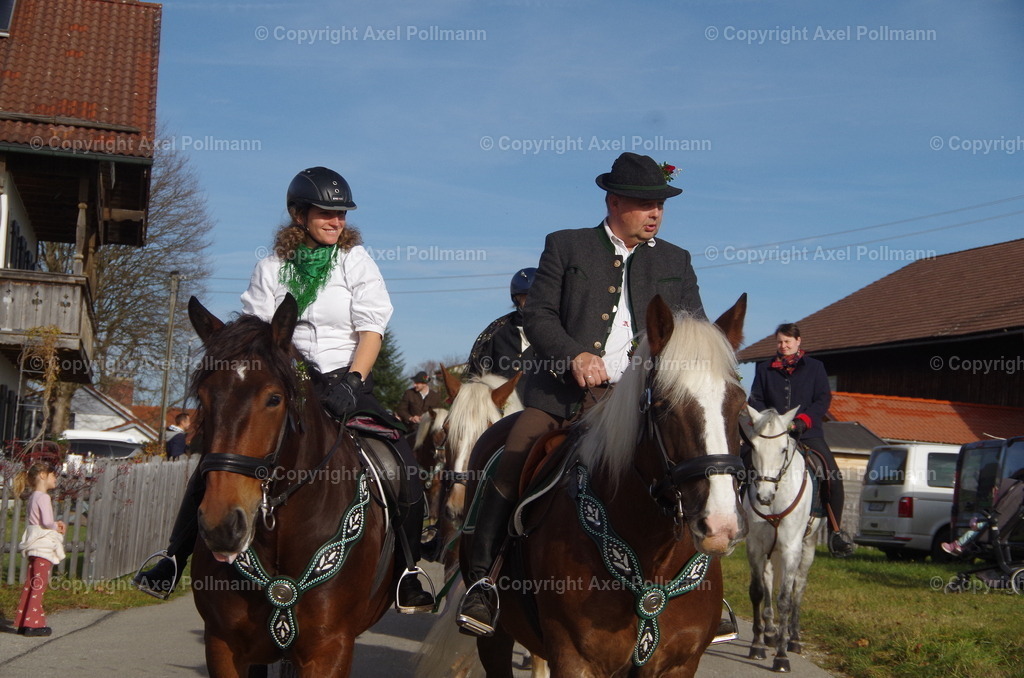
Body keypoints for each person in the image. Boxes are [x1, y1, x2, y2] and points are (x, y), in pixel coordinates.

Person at [134, 167, 434, 613]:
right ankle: (173, 558)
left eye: (342, 214)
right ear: (298, 215)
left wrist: (353, 381)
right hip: (284, 381)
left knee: (399, 462)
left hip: (344, 381)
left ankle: (407, 572)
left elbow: (372, 330)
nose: (337, 221)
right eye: (326, 213)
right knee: (217, 462)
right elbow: (255, 331)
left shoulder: (355, 262)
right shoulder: (271, 267)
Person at [457, 152, 706, 637]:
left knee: (698, 458)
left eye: (661, 204)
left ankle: (702, 590)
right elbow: (539, 315)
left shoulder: (677, 260)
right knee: (513, 453)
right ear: (613, 201)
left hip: (641, 402)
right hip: (563, 398)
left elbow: (693, 327)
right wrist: (573, 355)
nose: (655, 212)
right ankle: (483, 581)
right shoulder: (567, 246)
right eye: (643, 203)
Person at [748, 323, 855, 557]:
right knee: (740, 463)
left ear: (798, 341)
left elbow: (822, 399)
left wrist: (804, 420)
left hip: (807, 433)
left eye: (787, 342)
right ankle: (736, 519)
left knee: (833, 476)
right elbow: (756, 399)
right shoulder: (764, 368)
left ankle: (836, 533)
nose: (783, 346)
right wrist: (765, 422)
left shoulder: (815, 367)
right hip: (771, 436)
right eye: (779, 342)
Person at [12, 461, 66, 637]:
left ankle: (23, 621)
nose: (55, 479)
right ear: (43, 475)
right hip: (42, 546)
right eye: (53, 475)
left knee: (31, 583)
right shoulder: (43, 497)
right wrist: (57, 526)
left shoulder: (33, 496)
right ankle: (33, 624)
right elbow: (46, 522)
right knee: (39, 585)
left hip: (33, 543)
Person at [467, 268, 537, 396]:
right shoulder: (495, 333)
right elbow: (477, 377)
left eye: (537, 297)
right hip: (501, 410)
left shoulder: (559, 332)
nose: (532, 303)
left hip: (541, 409)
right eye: (527, 297)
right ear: (517, 299)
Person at [942, 469, 1024, 556]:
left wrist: (976, 524)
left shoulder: (1001, 514)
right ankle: (963, 546)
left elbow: (985, 523)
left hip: (992, 529)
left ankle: (958, 544)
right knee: (976, 531)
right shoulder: (1008, 511)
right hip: (997, 529)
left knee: (973, 532)